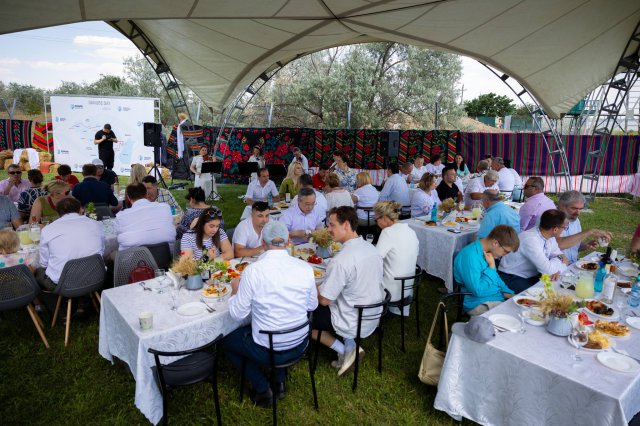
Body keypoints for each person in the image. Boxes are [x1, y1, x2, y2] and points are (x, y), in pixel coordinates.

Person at [224, 221, 317, 407]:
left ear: (263, 243)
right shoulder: (305, 268)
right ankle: (279, 382)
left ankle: (263, 388)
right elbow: (312, 305)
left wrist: (235, 290)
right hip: (300, 343)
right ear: (288, 241)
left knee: (226, 341)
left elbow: (237, 313)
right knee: (277, 323)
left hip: (269, 349)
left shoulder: (253, 271)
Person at [312, 207, 385, 375]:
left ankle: (343, 350)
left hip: (352, 318)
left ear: (345, 225)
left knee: (303, 318)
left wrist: (312, 283)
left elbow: (324, 300)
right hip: (373, 313)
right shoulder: (371, 249)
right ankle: (351, 345)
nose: (328, 229)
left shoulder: (342, 260)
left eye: (331, 225)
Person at [35, 197, 104, 291]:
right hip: (95, 278)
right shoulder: (95, 224)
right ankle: (82, 298)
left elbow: (44, 264)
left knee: (37, 271)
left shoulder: (47, 230)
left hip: (64, 285)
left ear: (58, 213)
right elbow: (102, 250)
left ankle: (42, 305)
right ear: (80, 209)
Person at [498, 209, 569, 293]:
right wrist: (561, 266)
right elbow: (548, 269)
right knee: (542, 296)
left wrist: (557, 270)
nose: (564, 230)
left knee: (559, 288)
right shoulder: (530, 239)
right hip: (511, 277)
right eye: (564, 228)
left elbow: (559, 254)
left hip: (531, 275)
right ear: (555, 229)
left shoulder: (549, 236)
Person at [454, 225, 518, 315]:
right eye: (505, 251)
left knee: (522, 312)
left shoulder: (488, 252)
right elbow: (478, 291)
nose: (505, 255)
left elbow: (495, 278)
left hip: (495, 297)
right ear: (495, 243)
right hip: (478, 302)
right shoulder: (470, 256)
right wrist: (491, 268)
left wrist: (510, 294)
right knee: (514, 319)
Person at [374, 201, 419, 316]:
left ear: (384, 218)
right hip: (407, 287)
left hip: (391, 290)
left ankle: (369, 316)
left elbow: (375, 260)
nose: (376, 223)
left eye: (376, 220)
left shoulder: (387, 233)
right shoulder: (411, 231)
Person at [114, 183, 176, 252]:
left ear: (128, 197)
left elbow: (117, 238)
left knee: (111, 254)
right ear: (146, 194)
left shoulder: (121, 216)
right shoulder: (165, 207)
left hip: (134, 260)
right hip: (167, 256)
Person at [555, 190, 611, 264]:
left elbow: (572, 247)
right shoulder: (551, 218)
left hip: (573, 265)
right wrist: (590, 232)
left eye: (580, 209)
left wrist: (585, 246)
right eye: (574, 208)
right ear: (562, 205)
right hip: (556, 269)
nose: (578, 213)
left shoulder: (575, 220)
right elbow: (557, 246)